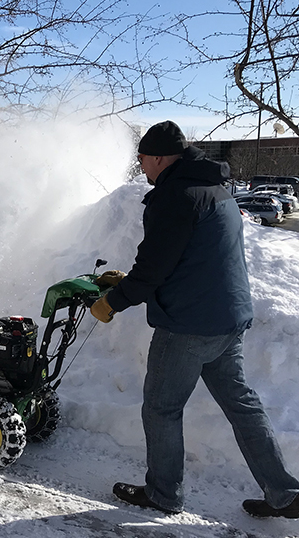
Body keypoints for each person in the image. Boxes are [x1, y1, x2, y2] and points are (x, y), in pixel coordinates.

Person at [89, 120, 299, 518]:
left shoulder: (175, 196)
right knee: (241, 403)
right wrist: (131, 281)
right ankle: (285, 493)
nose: (141, 167)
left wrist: (114, 300)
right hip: (227, 317)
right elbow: (189, 256)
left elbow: (155, 267)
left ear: (157, 158)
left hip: (188, 324)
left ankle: (164, 494)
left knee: (162, 408)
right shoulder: (214, 189)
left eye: (143, 160)